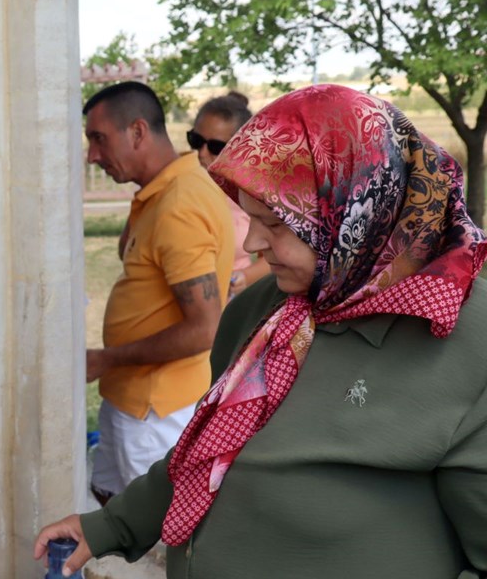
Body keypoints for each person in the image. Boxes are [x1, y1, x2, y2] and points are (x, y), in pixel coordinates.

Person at [37, 84, 487, 578]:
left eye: (274, 223)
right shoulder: (263, 311)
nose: (252, 244)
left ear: (357, 213)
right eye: (251, 218)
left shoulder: (465, 341)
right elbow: (207, 447)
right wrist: (110, 526)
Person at [82, 82, 234, 504]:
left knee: (156, 532)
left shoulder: (179, 203)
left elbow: (205, 330)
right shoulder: (164, 189)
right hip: (131, 396)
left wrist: (105, 359)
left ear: (136, 132)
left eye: (99, 139)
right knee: (111, 503)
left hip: (156, 411)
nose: (92, 155)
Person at [187, 92, 270, 298]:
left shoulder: (252, 194)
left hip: (231, 301)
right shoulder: (181, 186)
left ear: (239, 148)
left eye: (216, 147)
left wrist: (245, 276)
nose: (202, 153)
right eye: (196, 141)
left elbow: (271, 256)